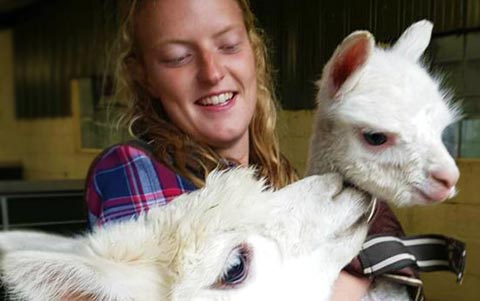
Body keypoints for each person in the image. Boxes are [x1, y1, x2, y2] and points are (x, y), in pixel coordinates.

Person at [84, 0, 411, 300]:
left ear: (253, 52)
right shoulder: (133, 170)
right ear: (145, 76)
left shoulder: (277, 175)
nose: (212, 73)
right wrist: (368, 274)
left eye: (228, 45)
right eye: (177, 57)